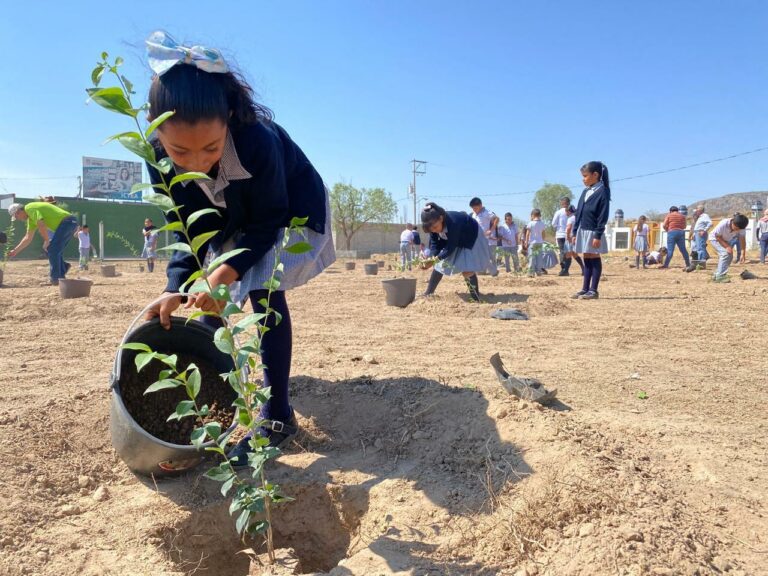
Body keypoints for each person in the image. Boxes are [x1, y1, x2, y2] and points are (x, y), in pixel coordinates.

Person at [141, 31, 335, 465]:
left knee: (265, 293)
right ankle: (214, 404)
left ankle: (278, 416)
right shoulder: (157, 158)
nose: (197, 163)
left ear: (229, 117)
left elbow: (267, 223)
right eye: (179, 151)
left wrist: (221, 275)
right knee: (207, 300)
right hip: (228, 214)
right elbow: (189, 229)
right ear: (155, 129)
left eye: (211, 148)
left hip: (286, 209)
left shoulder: (257, 141)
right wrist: (177, 286)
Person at [421, 202, 496, 301]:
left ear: (441, 218)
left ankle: (475, 298)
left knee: (467, 269)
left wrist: (435, 260)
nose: (434, 230)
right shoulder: (433, 227)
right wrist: (430, 258)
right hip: (454, 239)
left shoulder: (454, 222)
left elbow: (451, 247)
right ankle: (428, 293)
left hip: (471, 237)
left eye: (435, 227)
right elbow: (435, 245)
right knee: (440, 265)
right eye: (431, 229)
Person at [6, 201, 78, 285]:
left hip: (67, 222)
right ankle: (62, 270)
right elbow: (28, 238)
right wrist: (15, 251)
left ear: (18, 211)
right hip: (69, 223)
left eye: (16, 216)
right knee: (54, 250)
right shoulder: (31, 220)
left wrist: (47, 241)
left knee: (52, 249)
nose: (18, 219)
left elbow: (41, 224)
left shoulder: (29, 208)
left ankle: (55, 278)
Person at [571, 161, 610, 299]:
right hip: (583, 229)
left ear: (595, 175)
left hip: (593, 231)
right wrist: (575, 231)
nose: (583, 179)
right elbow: (579, 213)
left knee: (594, 257)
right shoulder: (585, 191)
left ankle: (593, 290)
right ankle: (585, 288)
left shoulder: (602, 191)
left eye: (585, 176)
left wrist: (598, 234)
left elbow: (603, 215)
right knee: (586, 256)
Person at [709, 214, 749, 282]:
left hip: (726, 240)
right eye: (736, 228)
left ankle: (716, 275)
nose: (737, 230)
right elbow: (717, 236)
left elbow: (742, 240)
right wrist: (727, 246)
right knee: (725, 254)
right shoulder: (724, 223)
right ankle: (720, 276)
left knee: (730, 256)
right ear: (733, 222)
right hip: (715, 239)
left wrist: (743, 254)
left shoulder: (741, 227)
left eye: (739, 229)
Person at [523, 208, 556, 276]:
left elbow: (527, 234)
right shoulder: (542, 224)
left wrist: (526, 242)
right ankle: (538, 271)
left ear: (533, 215)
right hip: (540, 243)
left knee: (532, 257)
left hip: (532, 243)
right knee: (539, 257)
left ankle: (531, 272)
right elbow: (543, 234)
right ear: (539, 215)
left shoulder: (530, 223)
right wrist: (542, 240)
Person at [686, 205, 712, 271]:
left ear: (700, 210)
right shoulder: (700, 217)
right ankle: (698, 263)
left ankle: (701, 265)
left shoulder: (705, 216)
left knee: (700, 249)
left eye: (697, 210)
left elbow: (710, 223)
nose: (696, 211)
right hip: (697, 233)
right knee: (697, 248)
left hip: (700, 233)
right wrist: (694, 234)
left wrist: (704, 230)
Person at [551, 196, 571, 276]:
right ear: (569, 203)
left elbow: (553, 224)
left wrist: (558, 227)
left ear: (562, 203)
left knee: (561, 252)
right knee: (568, 252)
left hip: (560, 234)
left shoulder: (558, 212)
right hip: (569, 234)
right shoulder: (572, 212)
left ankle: (563, 269)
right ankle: (566, 270)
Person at [563, 205, 584, 273]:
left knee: (568, 254)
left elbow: (569, 228)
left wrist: (568, 236)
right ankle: (583, 269)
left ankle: (565, 271)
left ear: (569, 211)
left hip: (570, 237)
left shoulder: (570, 218)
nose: (565, 213)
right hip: (575, 236)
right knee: (574, 254)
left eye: (566, 212)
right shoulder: (577, 218)